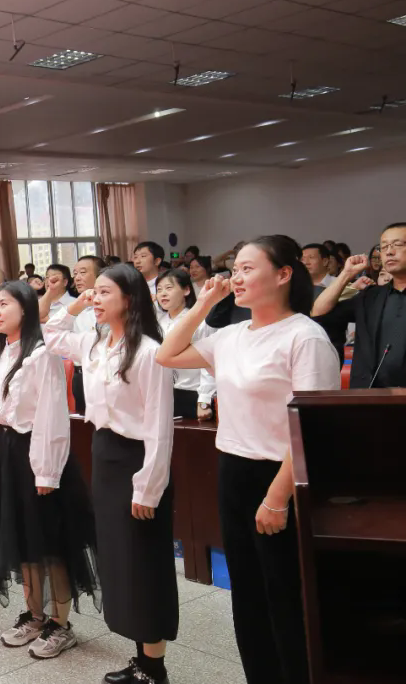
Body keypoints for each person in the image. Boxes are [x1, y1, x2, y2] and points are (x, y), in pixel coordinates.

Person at [157, 236, 341, 684]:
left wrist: (277, 498)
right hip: (233, 470)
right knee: (248, 594)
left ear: (283, 275)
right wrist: (202, 306)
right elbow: (167, 354)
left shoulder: (305, 336)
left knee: (286, 594)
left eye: (247, 268)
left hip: (282, 475)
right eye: (234, 269)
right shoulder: (231, 335)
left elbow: (311, 427)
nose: (235, 277)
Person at [40, 267, 176, 684]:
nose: (94, 299)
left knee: (145, 560)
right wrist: (74, 304)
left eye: (103, 293)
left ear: (130, 299)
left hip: (137, 460)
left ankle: (155, 666)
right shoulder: (95, 343)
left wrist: (149, 488)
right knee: (120, 560)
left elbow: (159, 428)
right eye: (92, 292)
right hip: (105, 454)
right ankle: (141, 659)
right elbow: (47, 332)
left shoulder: (150, 350)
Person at [0, 281, 99, 660]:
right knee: (21, 539)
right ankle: (35, 614)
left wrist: (46, 472)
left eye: (4, 304)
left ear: (25, 308)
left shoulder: (41, 354)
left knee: (50, 542)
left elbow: (52, 417)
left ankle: (61, 623)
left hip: (36, 453)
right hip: (6, 451)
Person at [312, 223, 406, 388]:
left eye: (397, 244)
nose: (389, 251)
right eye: (384, 247)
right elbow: (318, 313)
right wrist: (346, 274)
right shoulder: (370, 297)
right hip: (370, 398)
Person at [154, 270, 215, 420]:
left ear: (186, 290)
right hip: (162, 393)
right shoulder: (157, 323)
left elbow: (209, 360)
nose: (163, 294)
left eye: (169, 288)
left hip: (191, 392)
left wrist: (204, 400)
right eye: (159, 290)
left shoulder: (200, 321)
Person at [69, 255, 105, 414]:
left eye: (83, 272)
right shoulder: (75, 307)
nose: (77, 277)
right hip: (80, 375)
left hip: (103, 376)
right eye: (75, 273)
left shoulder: (109, 307)